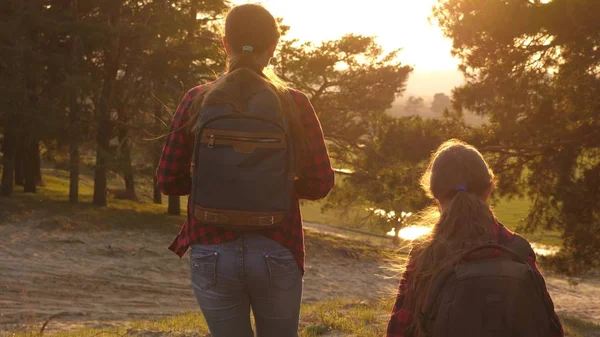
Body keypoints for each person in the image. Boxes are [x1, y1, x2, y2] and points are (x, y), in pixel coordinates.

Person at [156, 4, 334, 337]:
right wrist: (276, 185)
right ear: (274, 46)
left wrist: (211, 181)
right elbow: (321, 182)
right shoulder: (294, 102)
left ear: (225, 43)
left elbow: (167, 180)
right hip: (277, 243)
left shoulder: (196, 99)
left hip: (210, 248)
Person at [386, 139, 563, 337]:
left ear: (435, 195)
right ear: (489, 189)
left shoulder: (424, 252)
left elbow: (399, 329)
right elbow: (551, 328)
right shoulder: (517, 249)